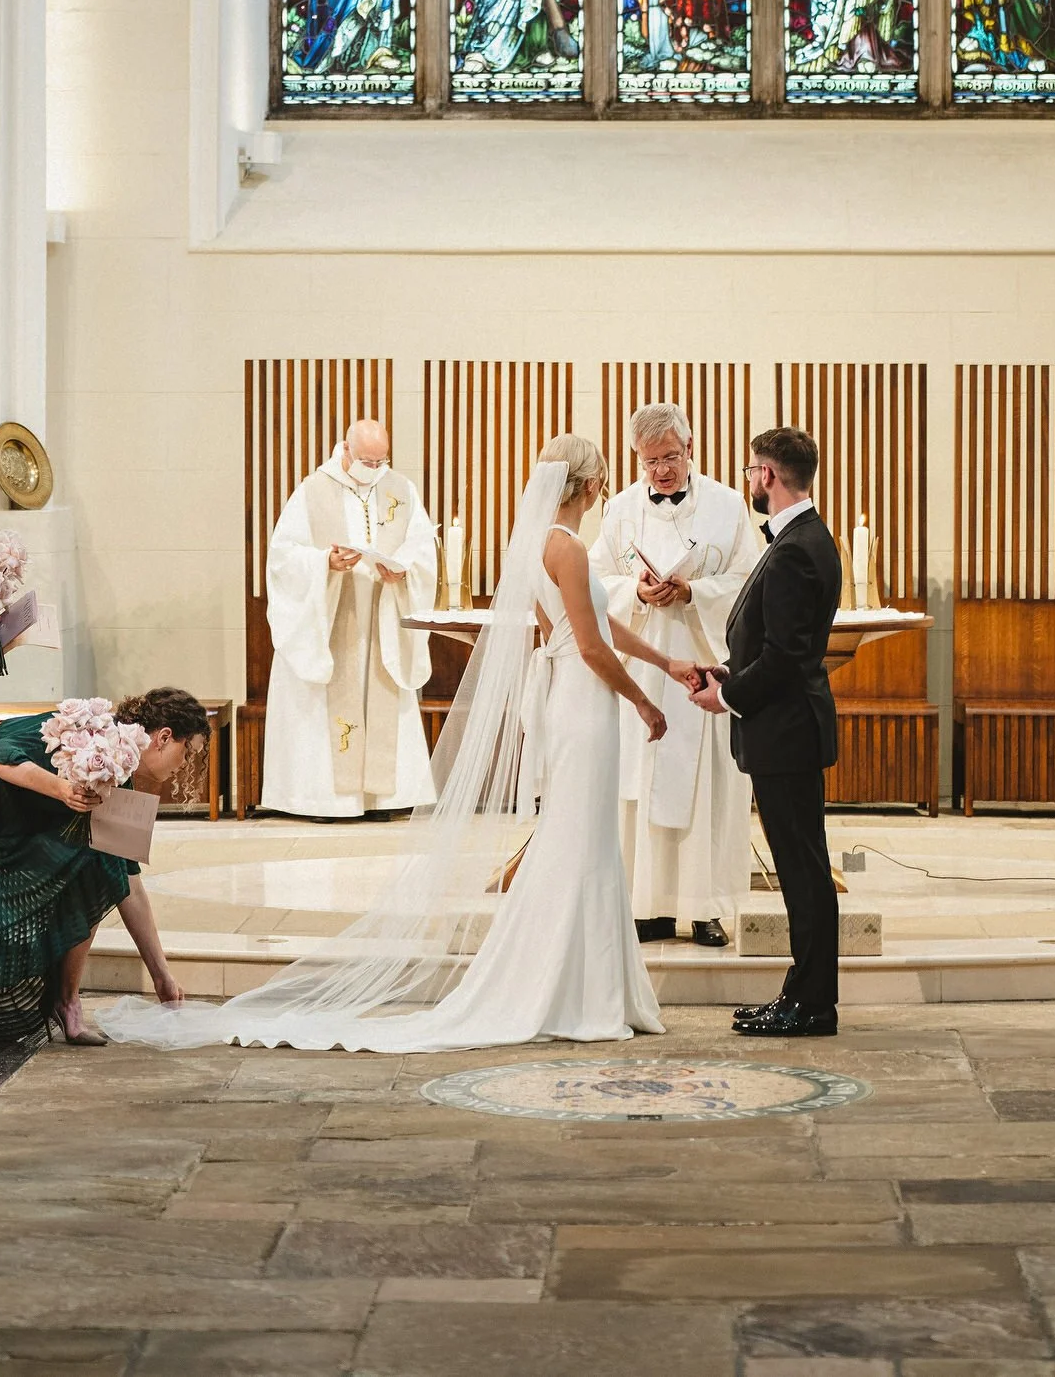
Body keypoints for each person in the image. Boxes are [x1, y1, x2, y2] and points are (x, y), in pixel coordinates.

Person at [98, 437, 696, 1052]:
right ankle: (575, 992)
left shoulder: (539, 545)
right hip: (586, 704)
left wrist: (668, 662)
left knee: (580, 839)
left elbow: (581, 629)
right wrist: (645, 700)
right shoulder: (565, 547)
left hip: (571, 697)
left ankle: (584, 988)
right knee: (582, 842)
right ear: (594, 486)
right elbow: (592, 645)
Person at [0, 687, 209, 1045]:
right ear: (164, 737)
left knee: (101, 868)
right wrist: (62, 789)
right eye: (187, 752)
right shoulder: (85, 730)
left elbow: (129, 884)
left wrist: (162, 977)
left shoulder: (121, 776)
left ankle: (67, 1002)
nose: (184, 765)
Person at [689, 426, 842, 1037]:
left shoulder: (795, 549)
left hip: (785, 733)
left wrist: (725, 695)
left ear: (768, 476)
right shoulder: (804, 539)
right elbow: (781, 649)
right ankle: (803, 997)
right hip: (786, 728)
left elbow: (784, 659)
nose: (750, 479)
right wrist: (729, 672)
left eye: (753, 469)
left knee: (803, 873)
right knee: (803, 870)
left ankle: (810, 1004)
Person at [589, 403, 758, 947]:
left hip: (703, 666)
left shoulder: (729, 507)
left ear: (691, 448)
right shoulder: (619, 510)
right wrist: (635, 592)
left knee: (705, 788)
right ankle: (648, 907)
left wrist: (694, 591)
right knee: (639, 786)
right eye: (649, 461)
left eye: (669, 457)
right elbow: (593, 581)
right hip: (643, 664)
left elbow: (749, 581)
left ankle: (704, 908)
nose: (660, 471)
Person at [263, 419, 439, 819]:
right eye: (365, 460)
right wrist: (324, 561)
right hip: (331, 621)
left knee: (382, 696)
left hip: (382, 621)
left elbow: (423, 548)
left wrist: (405, 570)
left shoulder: (400, 490)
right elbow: (283, 556)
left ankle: (383, 800)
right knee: (332, 699)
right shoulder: (312, 492)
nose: (374, 469)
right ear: (345, 449)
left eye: (381, 461)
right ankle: (328, 801)